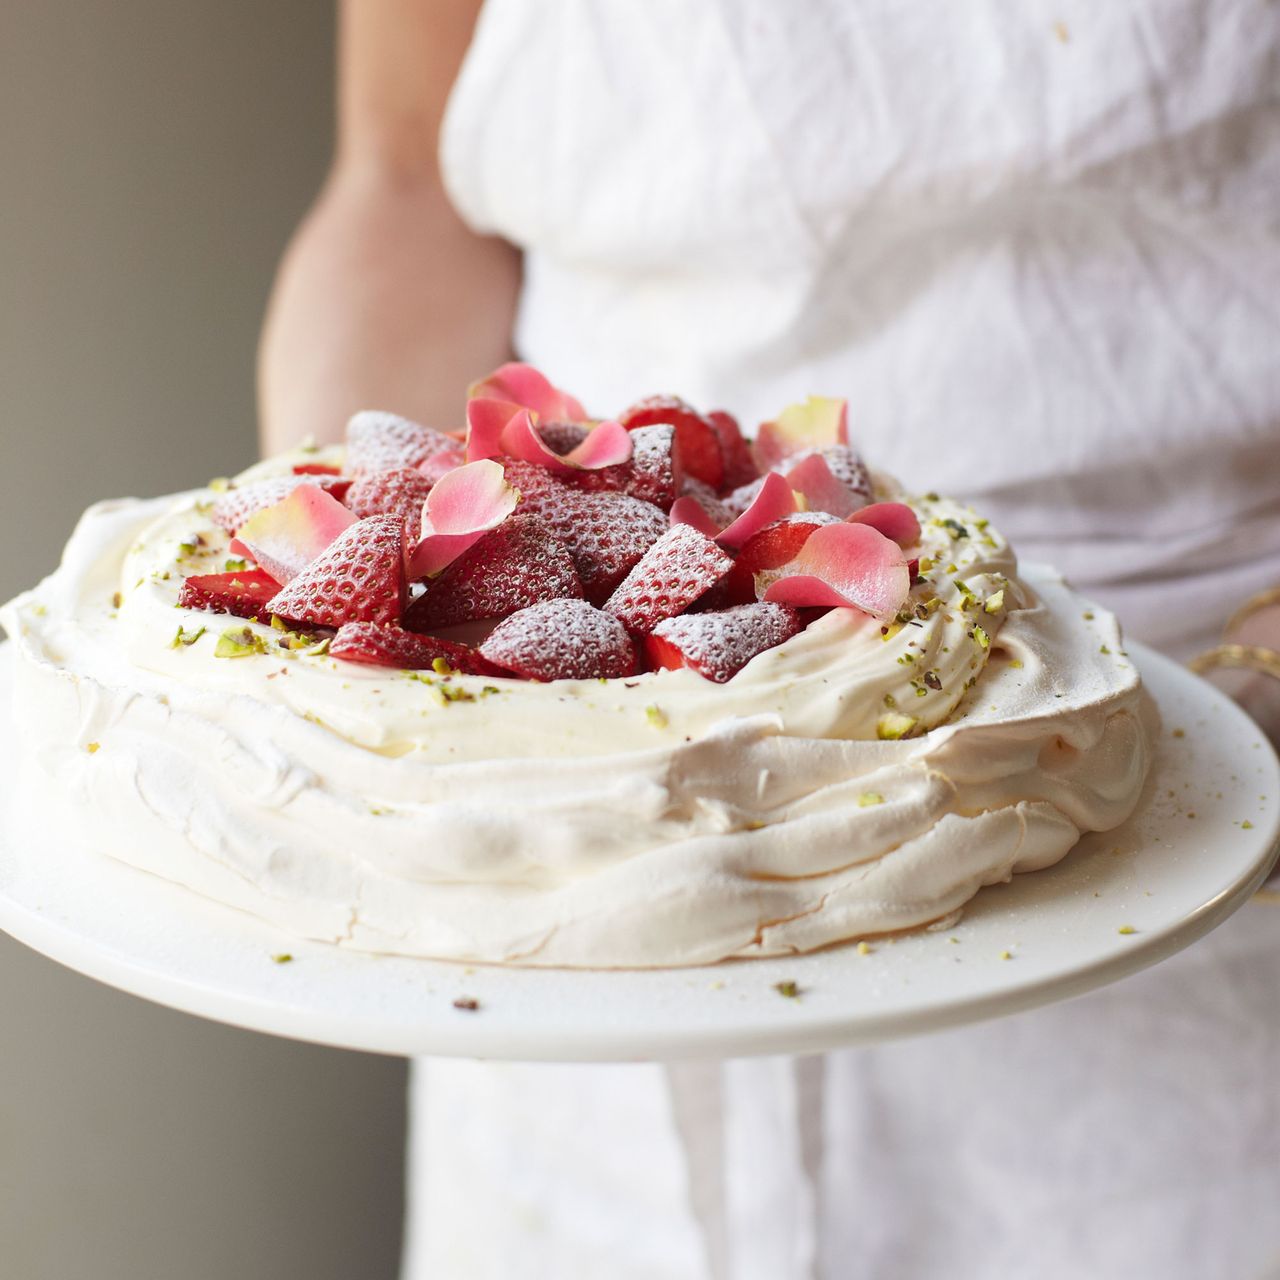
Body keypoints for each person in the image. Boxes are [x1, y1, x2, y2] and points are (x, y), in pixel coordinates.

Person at [260, 3, 1280, 1277]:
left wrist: (1245, 694)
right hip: (558, 831)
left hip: (1184, 795)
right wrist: (361, 588)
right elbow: (408, 176)